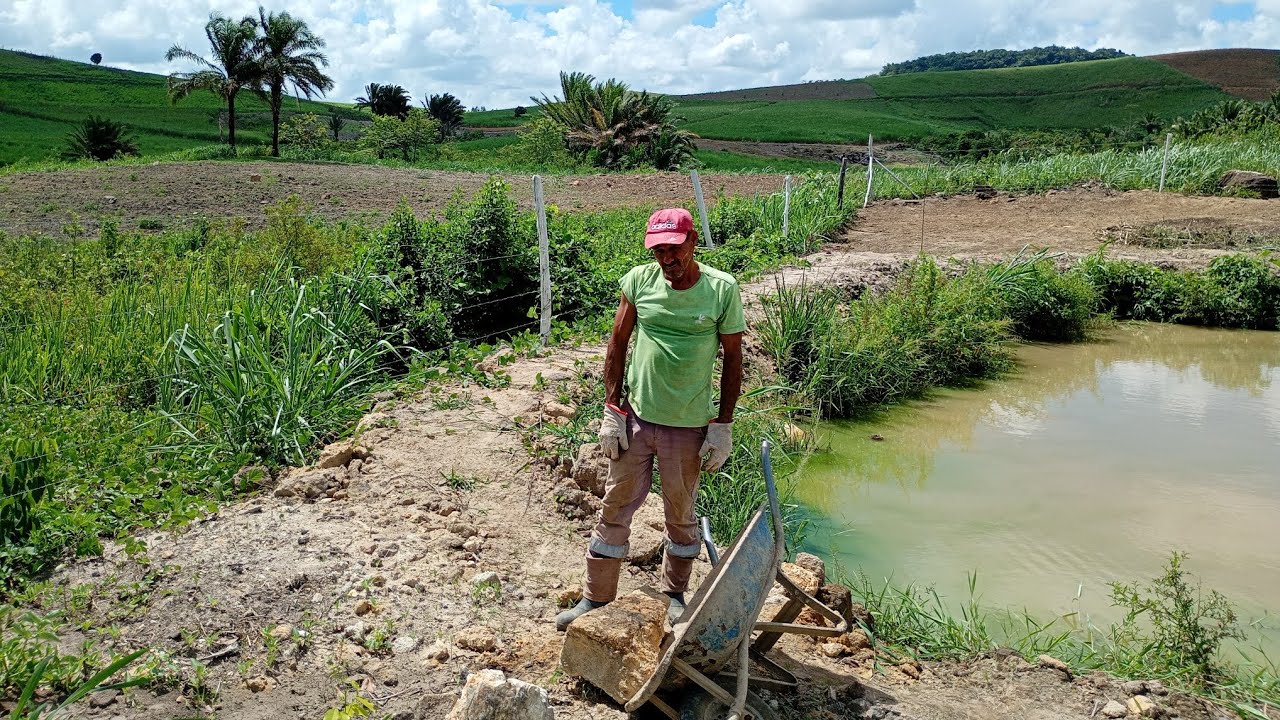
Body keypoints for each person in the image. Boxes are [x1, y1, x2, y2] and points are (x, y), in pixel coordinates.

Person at [555, 207, 745, 631]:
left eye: (674, 250)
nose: (667, 260)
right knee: (616, 505)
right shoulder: (639, 281)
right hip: (637, 420)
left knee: (680, 511)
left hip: (688, 425)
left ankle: (673, 594)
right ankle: (595, 598)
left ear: (693, 242)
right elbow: (617, 344)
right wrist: (612, 409)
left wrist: (722, 424)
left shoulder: (721, 290)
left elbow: (733, 358)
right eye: (659, 251)